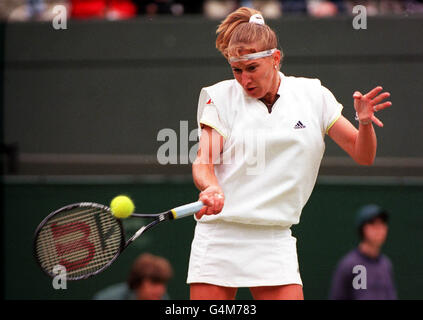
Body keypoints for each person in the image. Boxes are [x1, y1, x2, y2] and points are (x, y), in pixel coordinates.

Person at [188, 6, 392, 300]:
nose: (244, 80)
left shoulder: (313, 95)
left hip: (274, 237)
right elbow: (204, 161)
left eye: (252, 68)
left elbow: (364, 155)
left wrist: (363, 124)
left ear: (275, 59)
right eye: (237, 70)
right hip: (220, 235)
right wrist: (211, 187)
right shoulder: (221, 97)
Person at [329, 204, 397, 300]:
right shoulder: (349, 265)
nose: (379, 229)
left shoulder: (386, 265)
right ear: (362, 229)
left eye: (382, 224)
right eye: (373, 224)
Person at [93, 253, 173, 300]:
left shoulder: (163, 297)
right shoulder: (108, 298)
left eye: (163, 283)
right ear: (138, 282)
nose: (160, 289)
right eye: (154, 283)